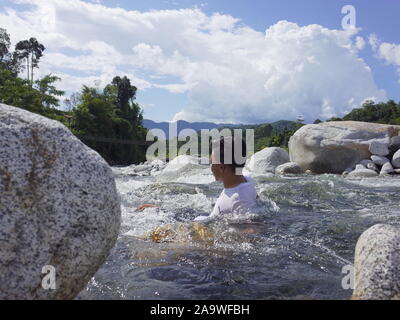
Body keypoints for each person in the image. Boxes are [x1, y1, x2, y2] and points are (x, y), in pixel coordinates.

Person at [136, 136, 258, 222]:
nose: (210, 167)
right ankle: (159, 210)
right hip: (205, 219)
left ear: (221, 167)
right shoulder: (247, 181)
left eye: (211, 163)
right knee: (171, 214)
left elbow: (251, 231)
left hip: (203, 228)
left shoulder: (239, 200)